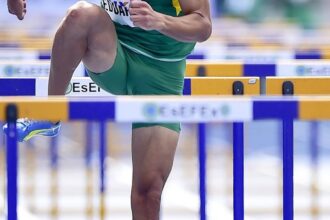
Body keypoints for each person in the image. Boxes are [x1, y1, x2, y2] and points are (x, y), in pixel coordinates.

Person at [5, 0, 211, 219]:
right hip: (114, 57)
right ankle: (50, 114)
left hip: (161, 75)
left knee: (148, 192)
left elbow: (203, 24)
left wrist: (159, 21)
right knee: (80, 16)